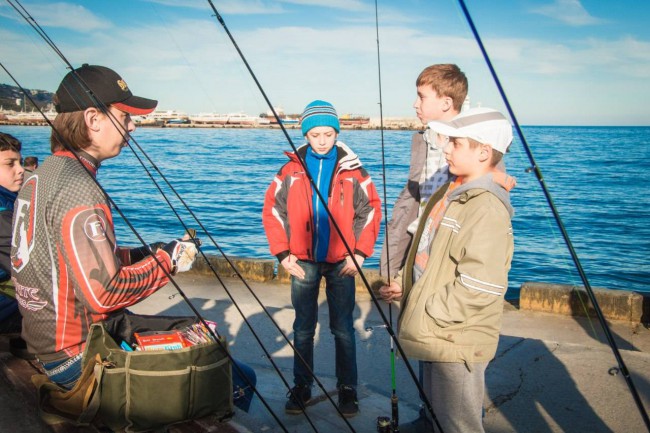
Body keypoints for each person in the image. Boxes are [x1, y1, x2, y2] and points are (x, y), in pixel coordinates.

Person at [10, 64, 200, 390]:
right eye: (125, 116)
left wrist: (144, 253)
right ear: (93, 119)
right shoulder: (80, 189)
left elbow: (66, 261)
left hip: (45, 346)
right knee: (228, 368)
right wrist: (169, 261)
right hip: (77, 357)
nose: (132, 127)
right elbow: (105, 294)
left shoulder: (40, 177)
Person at [380, 107, 516, 433]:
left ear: (484, 152)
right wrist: (404, 283)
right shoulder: (452, 192)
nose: (446, 148)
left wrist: (431, 310)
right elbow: (428, 250)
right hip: (436, 330)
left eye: (456, 143)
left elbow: (480, 285)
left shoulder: (485, 207)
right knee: (435, 411)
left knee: (458, 423)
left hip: (454, 336)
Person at [262, 100, 381, 417]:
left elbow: (370, 211)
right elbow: (273, 211)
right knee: (303, 328)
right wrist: (282, 253)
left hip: (342, 262)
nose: (322, 141)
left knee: (343, 329)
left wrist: (359, 253)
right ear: (305, 135)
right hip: (302, 262)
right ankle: (302, 385)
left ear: (337, 133)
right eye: (315, 135)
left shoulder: (354, 170)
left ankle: (347, 388)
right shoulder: (289, 170)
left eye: (328, 134)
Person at [380, 63, 467, 280]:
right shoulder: (423, 140)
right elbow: (412, 204)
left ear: (446, 103)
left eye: (422, 97)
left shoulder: (473, 145)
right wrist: (392, 270)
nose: (415, 104)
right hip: (418, 247)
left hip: (447, 254)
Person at [0, 133, 24, 336]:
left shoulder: (10, 201)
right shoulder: (2, 214)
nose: (21, 169)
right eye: (10, 164)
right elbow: (25, 264)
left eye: (20, 162)